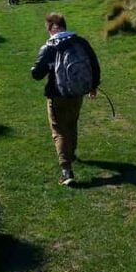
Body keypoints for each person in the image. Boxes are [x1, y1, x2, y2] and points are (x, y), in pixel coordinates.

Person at [31, 13, 101, 186]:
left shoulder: (49, 47)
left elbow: (37, 74)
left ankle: (66, 170)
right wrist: (93, 86)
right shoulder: (80, 42)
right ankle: (72, 153)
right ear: (64, 25)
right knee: (72, 121)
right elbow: (93, 63)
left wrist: (38, 67)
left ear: (50, 29)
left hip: (57, 94)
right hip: (78, 92)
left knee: (59, 130)